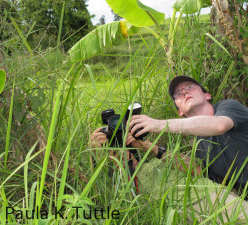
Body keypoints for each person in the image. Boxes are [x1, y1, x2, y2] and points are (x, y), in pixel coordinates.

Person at [90, 75, 248, 222]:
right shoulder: (198, 143)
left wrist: (158, 124)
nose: (184, 92)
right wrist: (147, 147)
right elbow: (198, 170)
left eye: (190, 87)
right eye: (178, 94)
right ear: (179, 111)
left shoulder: (228, 108)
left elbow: (219, 125)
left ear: (207, 95)